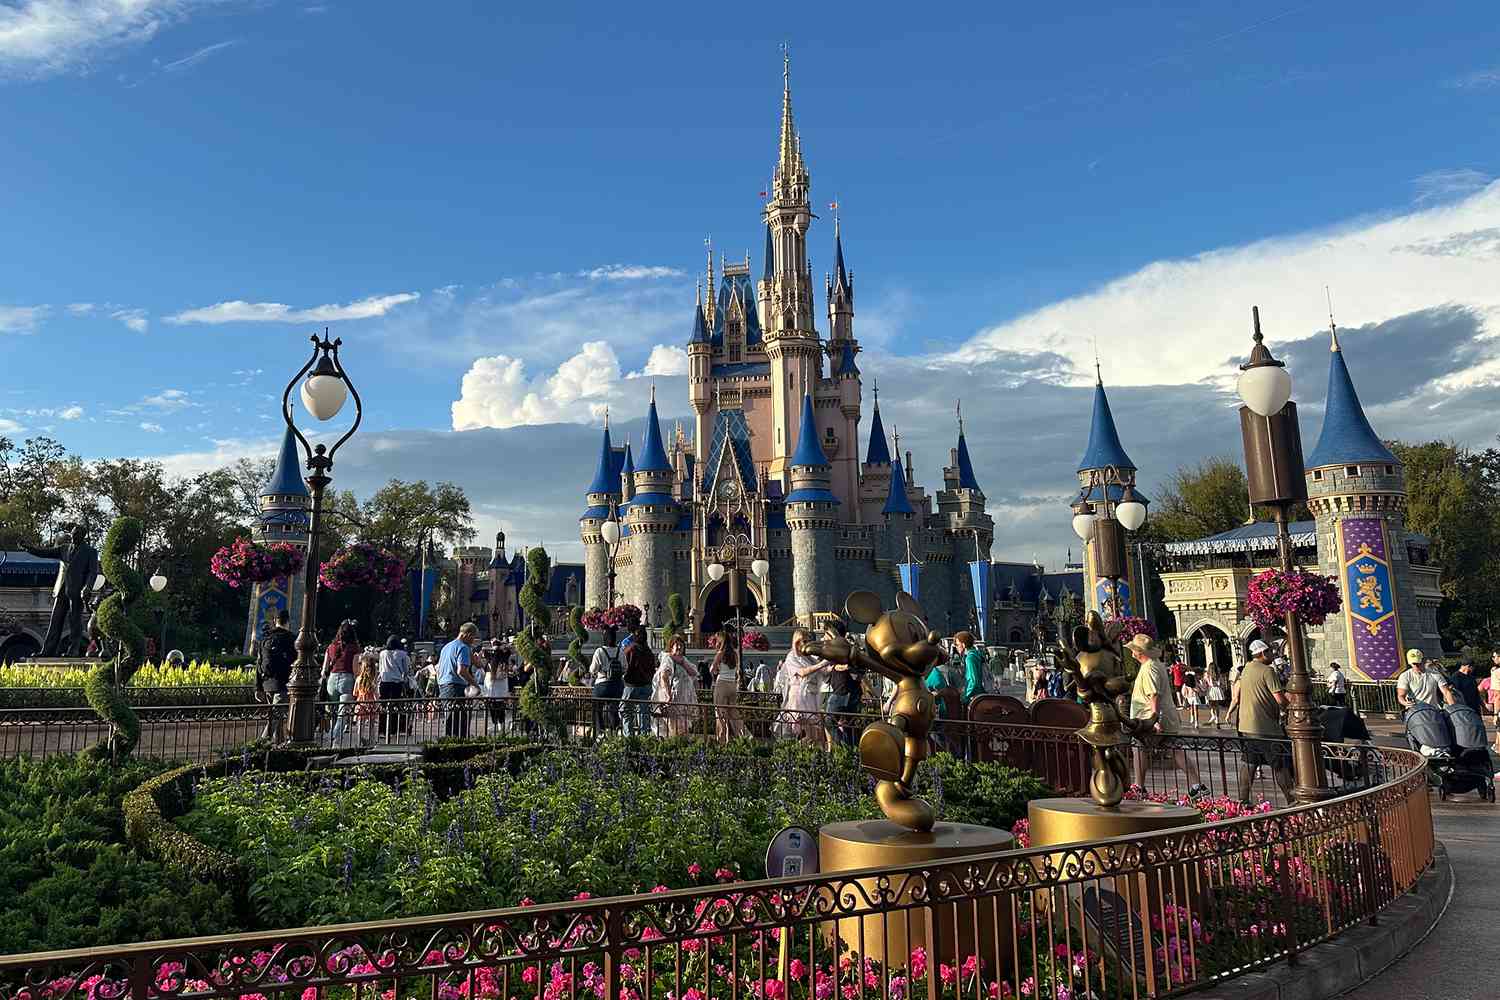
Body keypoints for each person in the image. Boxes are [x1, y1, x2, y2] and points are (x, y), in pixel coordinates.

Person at [1125, 634, 1206, 797]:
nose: (1131, 652)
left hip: (1149, 719)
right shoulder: (1156, 664)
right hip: (1164, 716)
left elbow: (1153, 695)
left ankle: (1139, 786)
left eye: (1133, 649)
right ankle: (1197, 785)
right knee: (1175, 749)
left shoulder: (1149, 668)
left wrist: (1155, 720)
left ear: (1140, 652)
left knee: (1138, 747)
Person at [1227, 638, 1295, 805]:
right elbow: (1279, 698)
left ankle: (1243, 800)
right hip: (1266, 728)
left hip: (1247, 727)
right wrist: (1291, 707)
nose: (1272, 655)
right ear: (1263, 653)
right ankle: (1292, 801)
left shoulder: (1247, 669)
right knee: (1279, 765)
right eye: (1270, 652)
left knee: (1249, 763)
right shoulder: (1267, 671)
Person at [778, 630, 827, 743]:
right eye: (804, 641)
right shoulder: (791, 657)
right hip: (800, 698)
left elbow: (824, 671)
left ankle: (804, 755)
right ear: (797, 642)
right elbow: (803, 672)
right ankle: (795, 753)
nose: (807, 643)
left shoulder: (809, 657)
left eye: (808, 641)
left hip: (811, 695)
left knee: (815, 737)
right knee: (811, 735)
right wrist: (822, 664)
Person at [256, 608, 295, 743]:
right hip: (282, 683)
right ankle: (259, 745)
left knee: (275, 716)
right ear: (288, 622)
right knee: (275, 716)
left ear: (274, 621)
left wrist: (258, 687)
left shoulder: (265, 639)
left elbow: (259, 663)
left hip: (266, 683)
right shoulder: (292, 639)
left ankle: (278, 746)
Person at [822, 622, 863, 750]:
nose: (824, 637)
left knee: (828, 721)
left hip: (842, 692)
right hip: (848, 692)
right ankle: (851, 752)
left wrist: (847, 668)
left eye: (826, 633)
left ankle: (844, 748)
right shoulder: (840, 648)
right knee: (848, 725)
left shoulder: (844, 649)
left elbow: (860, 669)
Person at [437, 623, 480, 737]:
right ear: (468, 635)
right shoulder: (463, 647)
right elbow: (461, 671)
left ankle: (449, 746)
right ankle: (458, 749)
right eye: (473, 637)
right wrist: (475, 685)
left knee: (450, 721)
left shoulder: (447, 647)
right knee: (459, 723)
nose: (473, 641)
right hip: (456, 686)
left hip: (444, 686)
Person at [322, 621, 359, 746]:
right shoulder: (354, 648)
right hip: (347, 679)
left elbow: (324, 669)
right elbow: (355, 670)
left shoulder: (331, 647)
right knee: (343, 713)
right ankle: (335, 739)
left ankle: (332, 737)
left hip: (332, 680)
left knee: (333, 712)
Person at [709, 627, 748, 742]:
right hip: (732, 685)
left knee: (720, 715)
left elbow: (712, 669)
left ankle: (722, 740)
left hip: (721, 685)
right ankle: (743, 738)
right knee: (734, 714)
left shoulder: (720, 653)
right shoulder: (735, 654)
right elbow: (737, 670)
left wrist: (716, 671)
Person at [587, 626, 624, 738]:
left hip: (602, 684)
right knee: (613, 709)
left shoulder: (600, 651)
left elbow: (593, 669)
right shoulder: (620, 651)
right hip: (617, 685)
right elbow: (625, 667)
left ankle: (600, 733)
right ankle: (615, 731)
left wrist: (600, 672)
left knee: (597, 708)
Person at [621, 624, 656, 737]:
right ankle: (644, 738)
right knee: (644, 713)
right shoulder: (649, 652)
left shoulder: (630, 649)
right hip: (645, 685)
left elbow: (624, 666)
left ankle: (628, 738)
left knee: (626, 711)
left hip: (631, 685)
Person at [376, 634, 413, 740]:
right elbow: (406, 670)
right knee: (396, 706)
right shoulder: (402, 654)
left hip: (384, 682)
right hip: (396, 683)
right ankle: (394, 729)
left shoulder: (382, 653)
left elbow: (380, 667)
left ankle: (382, 731)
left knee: (383, 707)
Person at [352, 651, 380, 745]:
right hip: (371, 704)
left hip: (361, 703)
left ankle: (360, 741)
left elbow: (355, 693)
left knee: (361, 723)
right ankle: (372, 741)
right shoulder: (373, 681)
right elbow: (376, 695)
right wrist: (378, 704)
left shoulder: (358, 679)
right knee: (372, 724)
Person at [482, 648, 511, 732]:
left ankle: (495, 724)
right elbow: (508, 651)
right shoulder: (504, 662)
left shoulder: (492, 662)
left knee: (493, 708)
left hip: (493, 690)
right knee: (501, 708)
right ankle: (501, 725)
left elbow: (483, 651)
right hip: (501, 690)